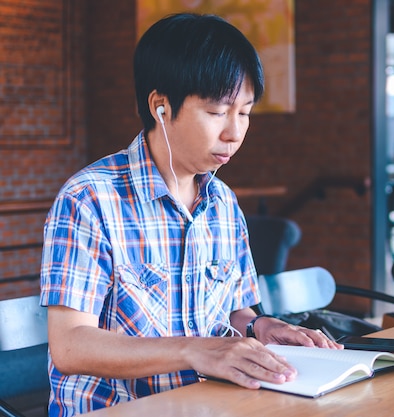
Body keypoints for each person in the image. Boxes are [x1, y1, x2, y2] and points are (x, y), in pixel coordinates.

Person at [40, 13, 340, 416]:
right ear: (161, 107)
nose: (235, 133)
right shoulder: (89, 199)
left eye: (245, 112)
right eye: (218, 112)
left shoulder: (223, 203)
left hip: (207, 405)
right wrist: (195, 351)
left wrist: (263, 329)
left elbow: (236, 312)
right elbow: (71, 346)